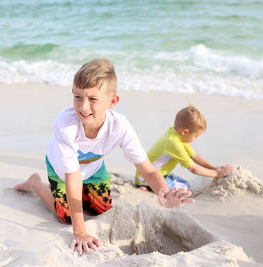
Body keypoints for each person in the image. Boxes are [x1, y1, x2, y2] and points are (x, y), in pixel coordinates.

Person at [14, 58, 194, 256]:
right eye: (78, 97)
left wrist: (164, 192)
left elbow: (148, 169)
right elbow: (72, 177)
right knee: (66, 216)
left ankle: (80, 194)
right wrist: (80, 231)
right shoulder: (65, 125)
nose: (83, 107)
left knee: (101, 209)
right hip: (62, 170)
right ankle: (36, 184)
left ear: (112, 101)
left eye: (92, 99)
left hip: (93, 168)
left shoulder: (119, 126)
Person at [135, 105, 233, 192]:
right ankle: (147, 188)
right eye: (195, 136)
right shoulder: (173, 143)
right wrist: (217, 174)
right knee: (183, 188)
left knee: (185, 183)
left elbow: (194, 156)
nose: (195, 139)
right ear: (185, 132)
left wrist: (214, 168)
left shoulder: (174, 134)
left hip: (153, 174)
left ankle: (149, 187)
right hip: (147, 177)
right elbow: (194, 169)